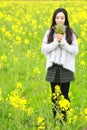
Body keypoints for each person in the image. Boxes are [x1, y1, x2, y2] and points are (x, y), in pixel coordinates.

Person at [41, 8, 79, 121]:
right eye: (57, 18)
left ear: (65, 19)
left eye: (62, 18)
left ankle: (64, 120)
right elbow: (44, 49)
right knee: (54, 96)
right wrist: (55, 43)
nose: (59, 20)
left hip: (66, 68)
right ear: (54, 19)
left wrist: (63, 43)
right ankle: (56, 119)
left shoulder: (71, 33)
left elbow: (74, 51)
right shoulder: (49, 32)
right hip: (53, 67)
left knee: (65, 95)